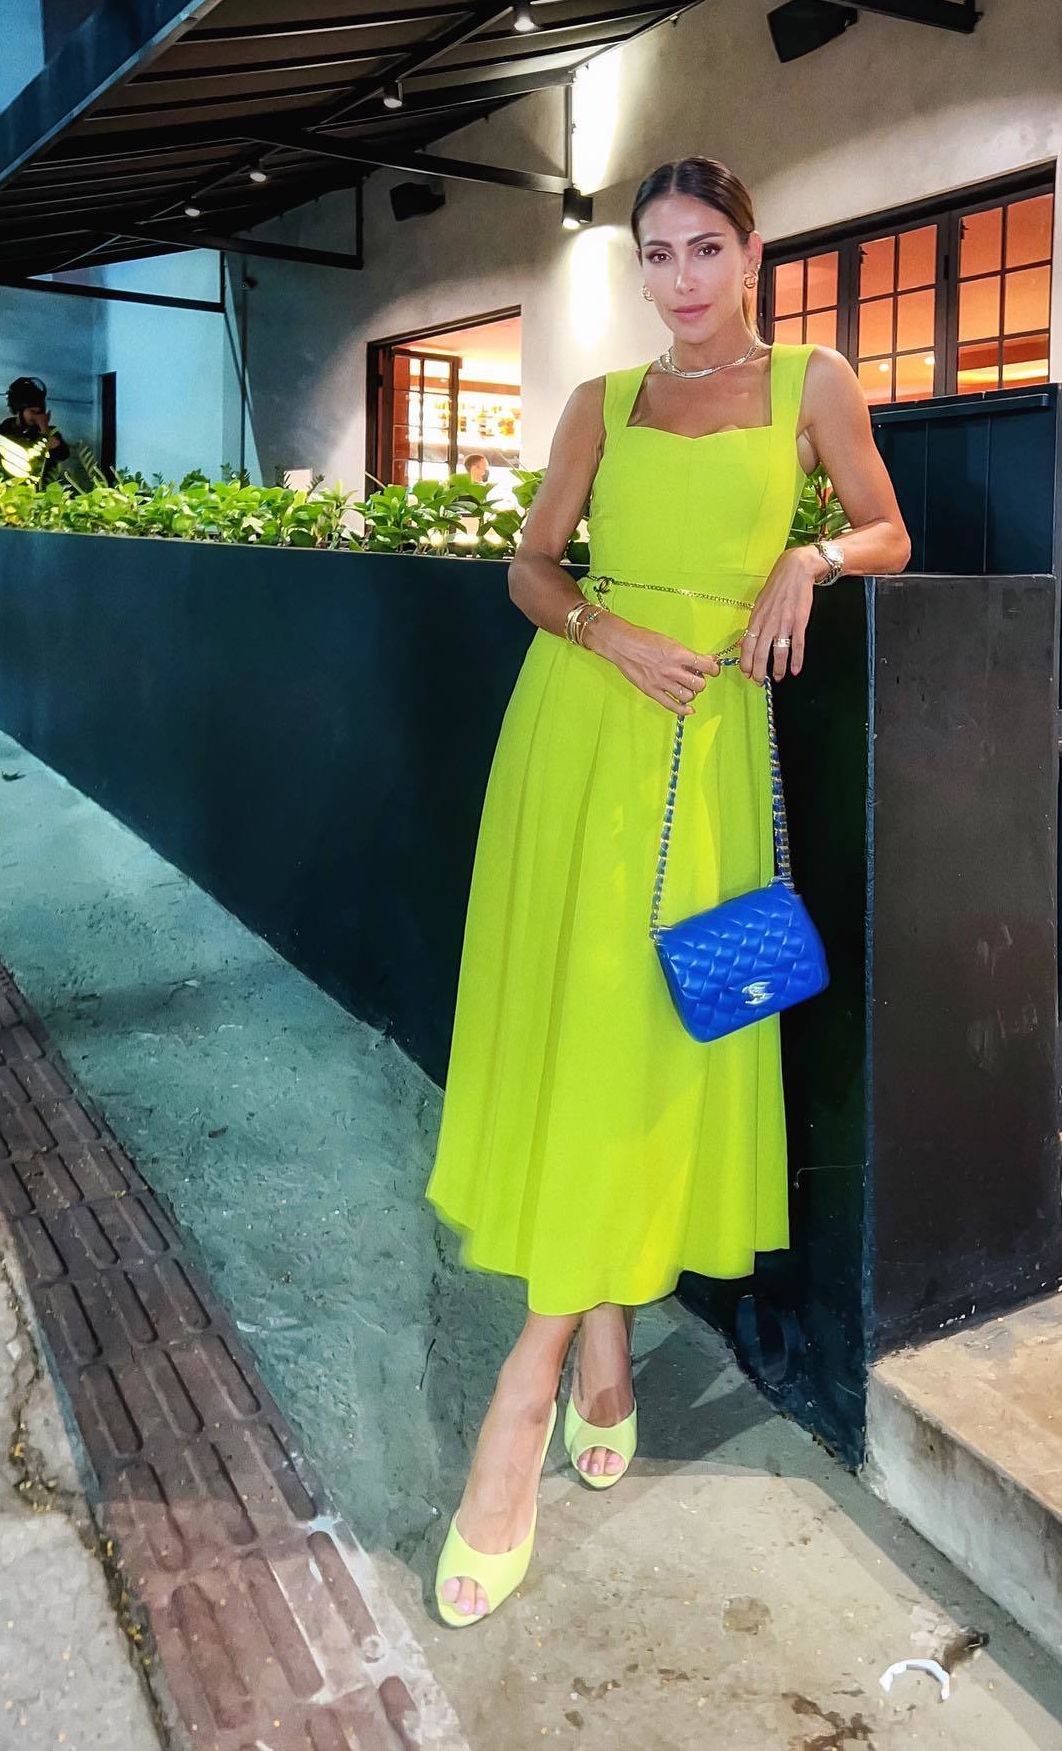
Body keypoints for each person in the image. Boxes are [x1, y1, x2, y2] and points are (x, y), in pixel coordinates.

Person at [426, 155, 910, 1626]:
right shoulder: (604, 401)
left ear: (753, 254)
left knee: (652, 1041)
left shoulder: (814, 382)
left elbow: (891, 529)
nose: (682, 279)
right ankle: (564, 1367)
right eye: (657, 254)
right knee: (586, 1034)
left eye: (706, 249)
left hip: (710, 761)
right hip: (580, 735)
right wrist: (607, 634)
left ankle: (568, 1356)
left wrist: (811, 557)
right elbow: (530, 570)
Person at [0, 377, 71, 478]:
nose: (37, 416)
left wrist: (44, 430)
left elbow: (62, 454)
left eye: (40, 412)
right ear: (18, 410)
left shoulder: (50, 432)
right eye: (32, 411)